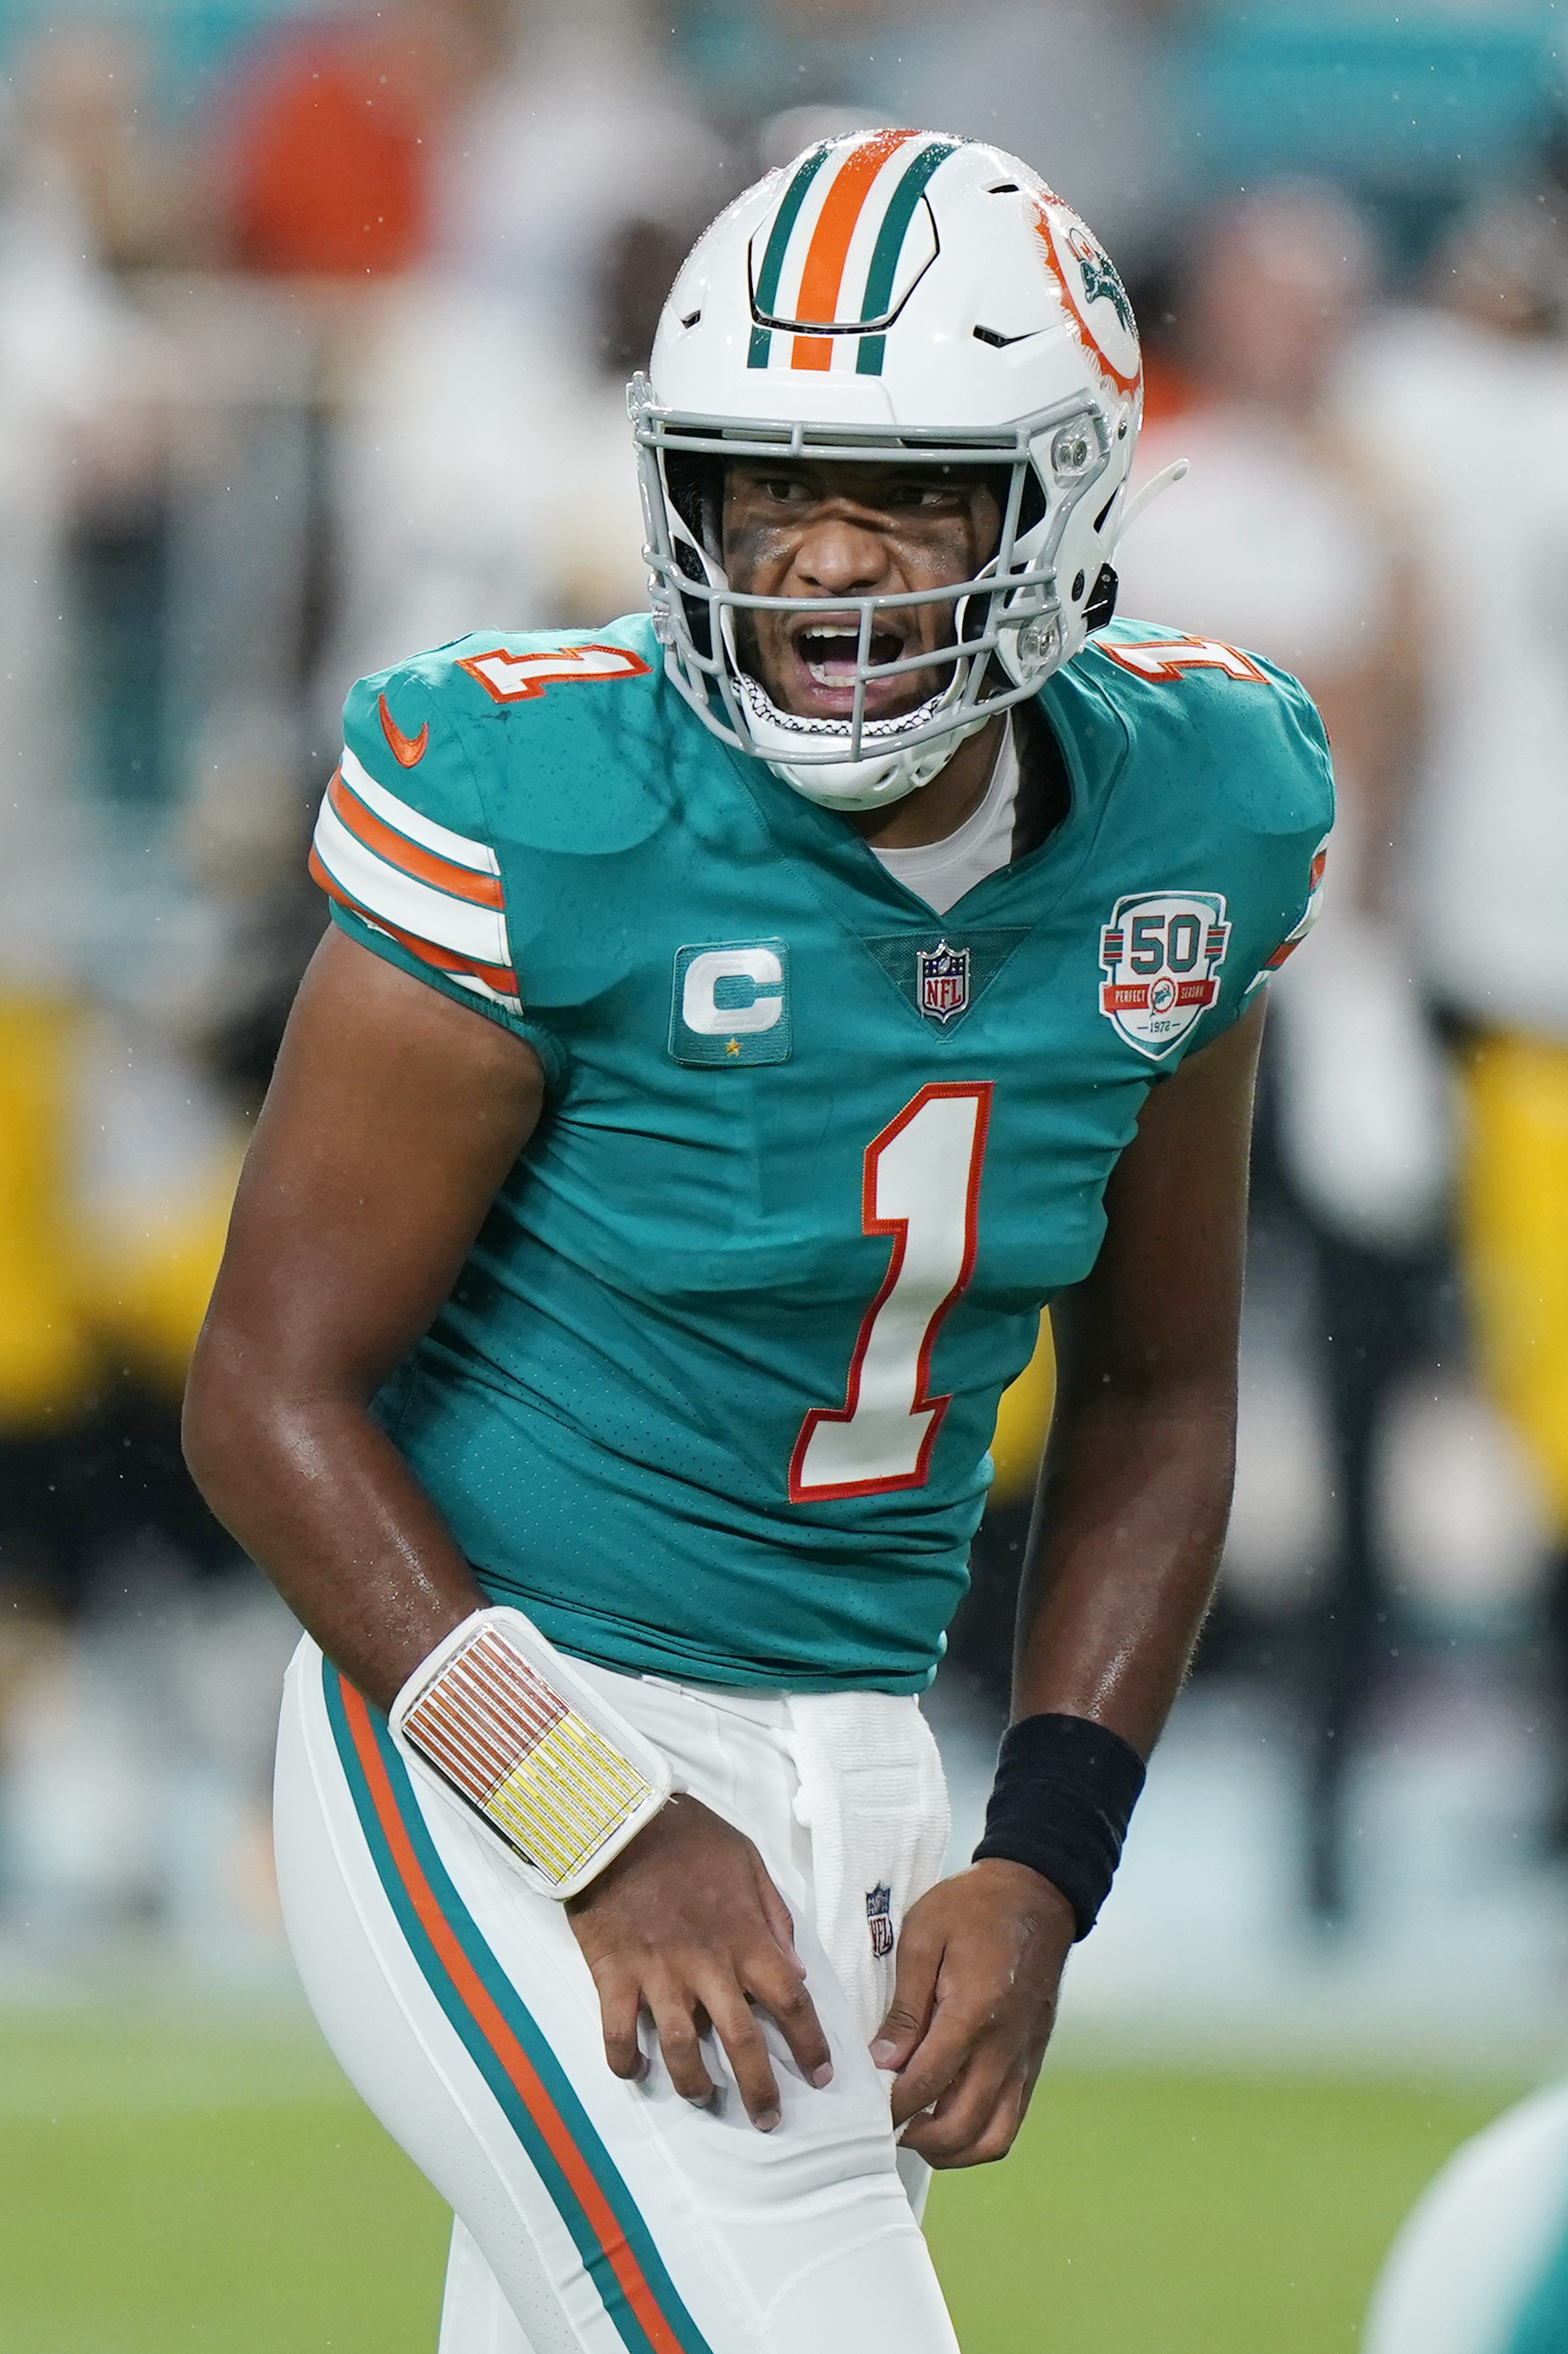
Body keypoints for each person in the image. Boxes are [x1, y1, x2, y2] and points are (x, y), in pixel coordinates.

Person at [183, 131, 1331, 2354]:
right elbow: (264, 1387)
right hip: (503, 1722)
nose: (816, 561)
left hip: (864, 1746)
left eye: (901, 496)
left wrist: (1050, 1844)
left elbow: (1165, 1388)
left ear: (1063, 494)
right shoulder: (541, 798)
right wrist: (595, 1818)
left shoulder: (1206, 805)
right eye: (756, 486)